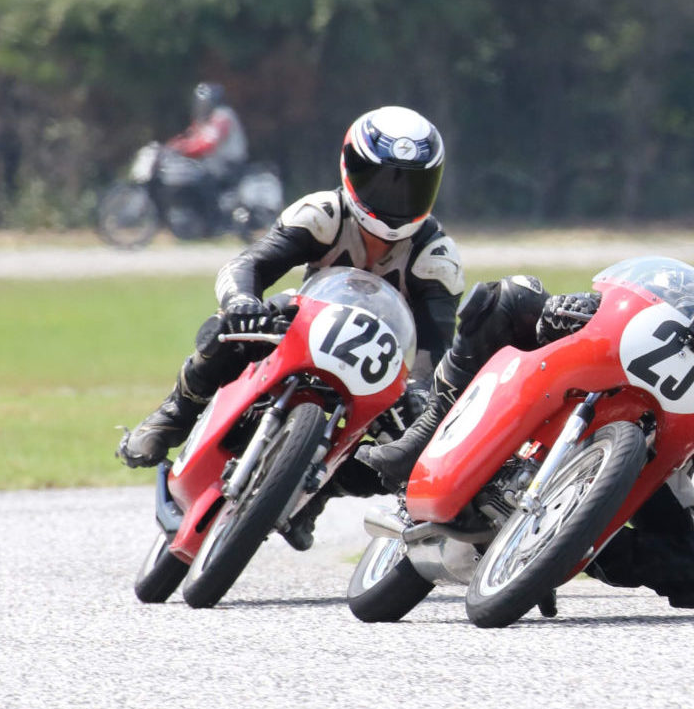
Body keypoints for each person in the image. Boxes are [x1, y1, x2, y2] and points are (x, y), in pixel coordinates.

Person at [358, 220, 694, 609]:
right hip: (599, 383)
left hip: (666, 460)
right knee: (505, 297)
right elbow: (619, 300)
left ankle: (553, 552)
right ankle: (426, 430)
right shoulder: (682, 290)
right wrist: (571, 308)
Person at [116, 105, 465, 550]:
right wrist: (243, 301)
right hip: (305, 327)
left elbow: (437, 350)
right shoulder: (321, 213)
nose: (394, 199)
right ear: (350, 168)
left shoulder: (438, 258)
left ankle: (319, 492)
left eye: (411, 186)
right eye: (382, 180)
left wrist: (419, 392)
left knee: (414, 442)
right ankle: (174, 414)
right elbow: (249, 265)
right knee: (228, 328)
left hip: (379, 371)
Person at [159, 82, 250, 231]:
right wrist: (172, 146)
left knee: (202, 179)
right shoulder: (205, 119)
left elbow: (209, 143)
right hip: (216, 163)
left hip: (229, 164)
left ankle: (213, 221)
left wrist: (184, 150)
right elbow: (190, 137)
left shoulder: (222, 116)